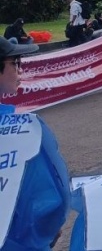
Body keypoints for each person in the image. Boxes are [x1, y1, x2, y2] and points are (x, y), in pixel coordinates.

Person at [0, 37, 69, 250]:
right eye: (15, 63)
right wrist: (46, 231)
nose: (20, 71)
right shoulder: (25, 129)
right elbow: (53, 194)